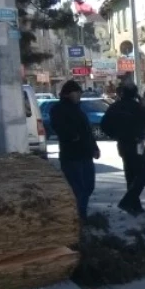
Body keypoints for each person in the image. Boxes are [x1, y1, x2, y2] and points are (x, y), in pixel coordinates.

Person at [100, 81, 145, 216]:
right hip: (137, 143)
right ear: (135, 94)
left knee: (130, 174)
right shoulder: (138, 107)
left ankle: (134, 206)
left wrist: (115, 135)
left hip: (123, 144)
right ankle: (128, 201)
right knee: (144, 173)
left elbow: (104, 125)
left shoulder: (115, 107)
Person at [49, 80, 99, 221]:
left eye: (79, 93)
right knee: (78, 188)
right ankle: (77, 217)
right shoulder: (58, 109)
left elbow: (87, 131)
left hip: (85, 154)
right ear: (68, 93)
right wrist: (73, 137)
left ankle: (81, 214)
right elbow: (59, 128)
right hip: (71, 155)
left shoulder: (78, 109)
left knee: (88, 186)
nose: (79, 96)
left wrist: (94, 147)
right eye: (76, 93)